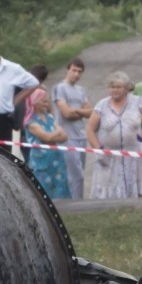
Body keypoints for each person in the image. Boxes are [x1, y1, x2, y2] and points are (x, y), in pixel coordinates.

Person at [87, 71, 142, 199]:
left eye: (118, 87)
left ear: (126, 88)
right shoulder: (101, 105)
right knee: (107, 192)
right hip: (109, 157)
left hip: (133, 156)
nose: (115, 90)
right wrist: (98, 149)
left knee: (133, 192)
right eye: (112, 87)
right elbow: (90, 129)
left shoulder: (137, 102)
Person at [52, 58, 92, 198]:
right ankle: (74, 204)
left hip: (81, 136)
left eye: (79, 72)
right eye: (74, 70)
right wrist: (80, 111)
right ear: (68, 70)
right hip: (67, 138)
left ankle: (77, 201)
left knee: (80, 174)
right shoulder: (60, 88)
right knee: (76, 176)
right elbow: (66, 113)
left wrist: (77, 111)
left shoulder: (81, 90)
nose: (76, 74)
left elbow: (90, 112)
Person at [22, 87, 70, 199]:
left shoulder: (50, 117)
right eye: (43, 101)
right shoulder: (31, 122)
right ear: (35, 102)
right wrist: (57, 132)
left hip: (56, 159)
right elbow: (46, 137)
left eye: (47, 100)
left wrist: (53, 136)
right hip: (41, 161)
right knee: (44, 189)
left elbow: (64, 137)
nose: (46, 103)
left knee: (60, 187)